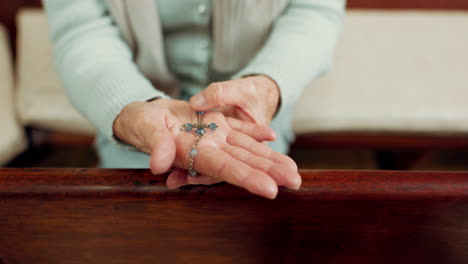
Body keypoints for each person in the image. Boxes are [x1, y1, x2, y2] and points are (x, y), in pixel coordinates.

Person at [43, 0, 345, 199]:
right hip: (132, 113)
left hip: (253, 116)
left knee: (252, 220)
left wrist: (268, 84)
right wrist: (129, 105)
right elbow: (82, 30)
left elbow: (315, 11)